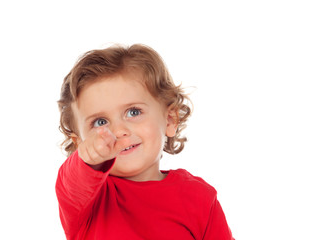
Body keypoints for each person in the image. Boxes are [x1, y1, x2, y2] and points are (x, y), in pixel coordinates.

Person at [55, 44, 234, 240]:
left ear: (169, 120)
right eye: (100, 122)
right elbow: (71, 181)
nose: (118, 130)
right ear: (78, 143)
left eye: (133, 112)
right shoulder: (87, 201)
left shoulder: (199, 197)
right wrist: (88, 157)